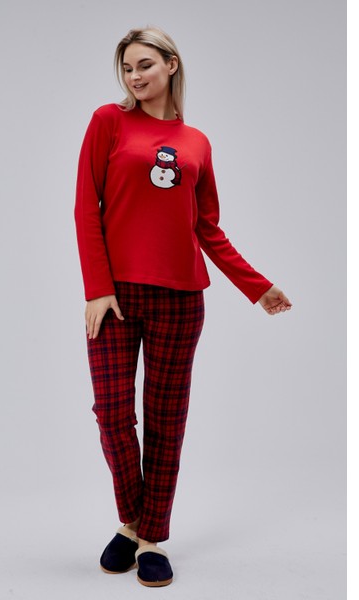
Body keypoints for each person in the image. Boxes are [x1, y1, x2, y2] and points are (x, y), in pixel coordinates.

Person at [74, 26, 292, 588]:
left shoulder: (196, 142)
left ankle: (150, 537)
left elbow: (207, 227)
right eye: (127, 68)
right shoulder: (108, 121)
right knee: (112, 413)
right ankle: (132, 519)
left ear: (171, 64)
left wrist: (256, 286)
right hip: (115, 297)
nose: (134, 76)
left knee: (166, 421)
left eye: (145, 65)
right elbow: (86, 207)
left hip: (180, 298)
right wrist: (97, 288)